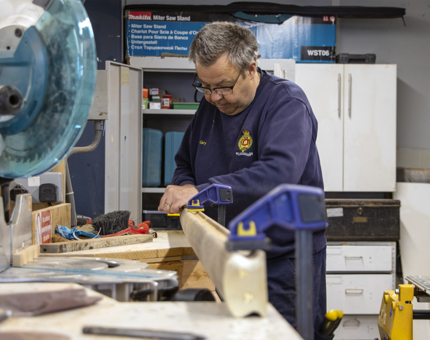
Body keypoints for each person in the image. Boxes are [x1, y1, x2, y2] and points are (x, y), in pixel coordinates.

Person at [158, 22, 330, 339]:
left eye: (223, 86)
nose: (214, 98)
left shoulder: (286, 104)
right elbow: (185, 164)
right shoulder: (211, 106)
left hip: (284, 260)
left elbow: (278, 177)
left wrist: (202, 192)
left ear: (251, 68)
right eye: (205, 87)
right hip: (230, 255)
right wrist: (184, 185)